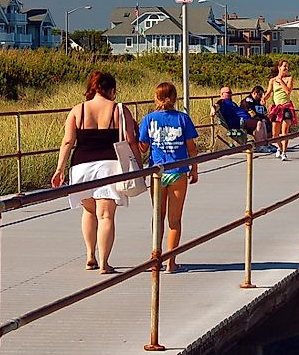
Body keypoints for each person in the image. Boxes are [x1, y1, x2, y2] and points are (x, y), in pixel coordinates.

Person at [51, 71, 140, 275]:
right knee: (106, 215)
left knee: (89, 211)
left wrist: (59, 169)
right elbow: (131, 141)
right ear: (112, 90)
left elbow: (67, 142)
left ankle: (90, 255)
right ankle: (104, 263)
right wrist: (139, 169)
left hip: (81, 166)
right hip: (110, 165)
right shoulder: (119, 109)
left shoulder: (77, 110)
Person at [138, 82, 199, 274]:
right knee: (175, 220)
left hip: (157, 172)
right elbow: (192, 148)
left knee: (158, 216)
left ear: (156, 97)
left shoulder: (149, 119)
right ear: (174, 98)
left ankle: (156, 256)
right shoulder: (183, 118)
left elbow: (143, 147)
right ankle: (171, 263)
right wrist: (194, 168)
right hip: (178, 171)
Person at [262, 60, 296, 161]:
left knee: (284, 132)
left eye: (287, 67)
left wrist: (281, 80)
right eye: (284, 66)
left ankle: (284, 152)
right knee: (275, 134)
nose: (286, 68)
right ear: (279, 68)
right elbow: (269, 92)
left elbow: (288, 91)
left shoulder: (289, 78)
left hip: (286, 107)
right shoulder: (272, 81)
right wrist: (264, 98)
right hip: (277, 108)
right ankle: (280, 148)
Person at [241, 85, 277, 152]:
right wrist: (260, 118)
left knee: (267, 122)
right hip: (247, 120)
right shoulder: (248, 101)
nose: (261, 97)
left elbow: (264, 112)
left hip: (258, 119)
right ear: (255, 93)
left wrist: (263, 106)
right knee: (260, 123)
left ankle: (266, 143)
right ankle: (260, 145)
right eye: (260, 95)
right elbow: (251, 113)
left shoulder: (259, 101)